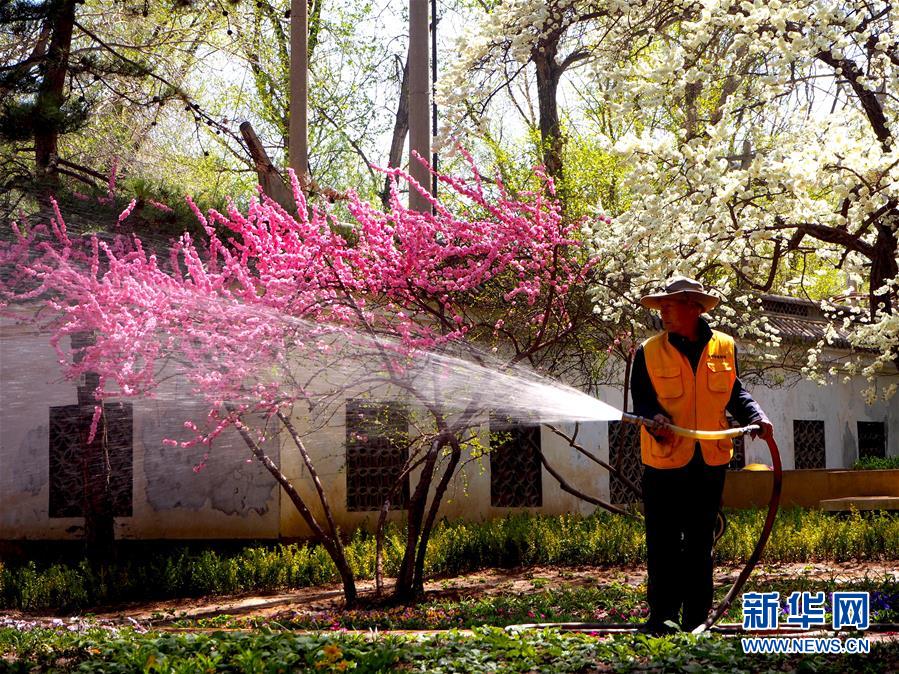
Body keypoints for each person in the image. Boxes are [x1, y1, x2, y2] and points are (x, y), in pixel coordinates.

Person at [632, 276, 773, 634]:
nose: (663, 311)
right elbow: (644, 402)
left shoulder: (725, 347)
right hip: (664, 462)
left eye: (670, 304)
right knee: (663, 543)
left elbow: (734, 392)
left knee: (699, 544)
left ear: (694, 307)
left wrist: (756, 415)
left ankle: (698, 619)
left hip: (709, 461)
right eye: (660, 305)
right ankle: (661, 619)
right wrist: (655, 420)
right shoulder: (647, 351)